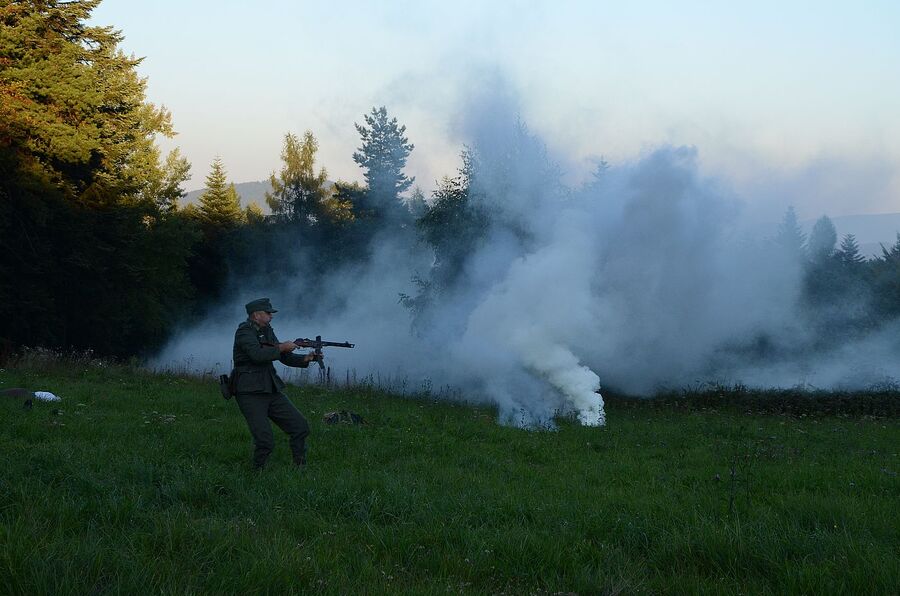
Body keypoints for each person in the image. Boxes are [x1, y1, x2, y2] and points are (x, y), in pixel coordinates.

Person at [231, 297, 320, 470]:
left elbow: (283, 356)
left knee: (300, 427)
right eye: (268, 313)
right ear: (256, 315)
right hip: (250, 392)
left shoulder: (267, 330)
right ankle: (257, 474)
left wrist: (306, 358)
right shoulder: (244, 332)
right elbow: (257, 355)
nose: (271, 316)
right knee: (265, 441)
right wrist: (282, 347)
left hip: (270, 387)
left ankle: (299, 466)